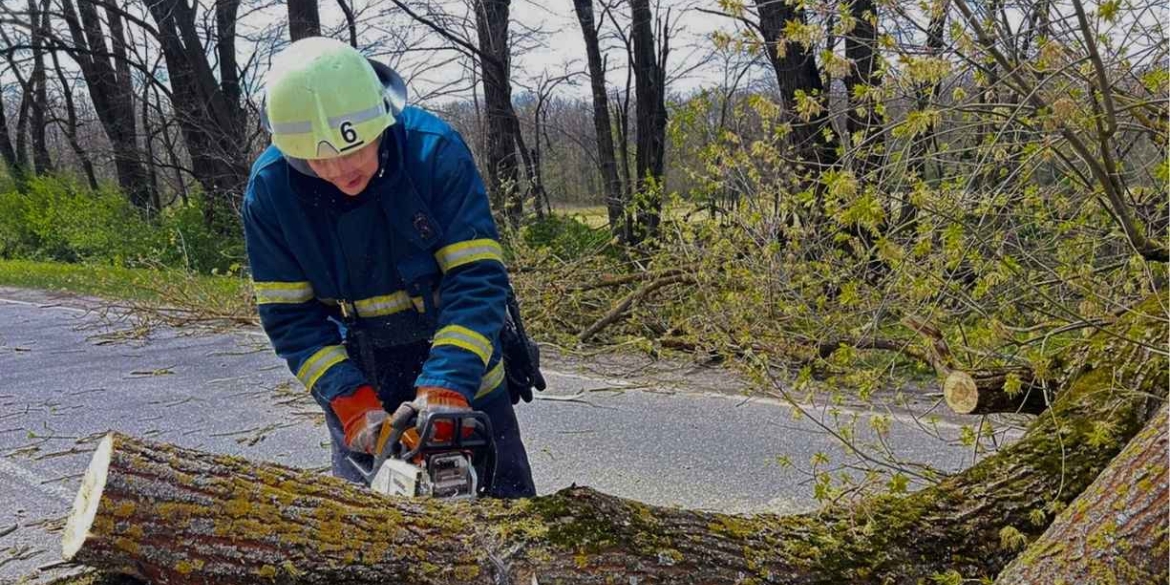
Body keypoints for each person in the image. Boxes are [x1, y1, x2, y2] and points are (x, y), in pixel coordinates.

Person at [242, 36, 535, 498]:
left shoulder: (433, 153)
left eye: (352, 150)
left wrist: (449, 382)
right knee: (373, 535)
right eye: (318, 158)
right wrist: (349, 400)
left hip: (462, 360)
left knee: (508, 515)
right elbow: (289, 317)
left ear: (381, 119)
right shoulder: (272, 193)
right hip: (361, 373)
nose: (338, 171)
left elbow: (476, 277)